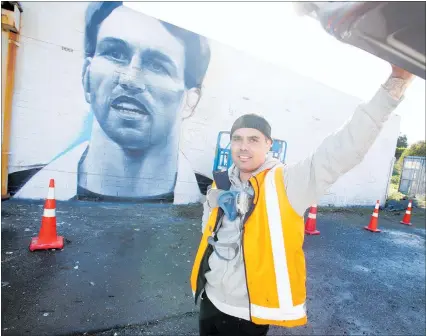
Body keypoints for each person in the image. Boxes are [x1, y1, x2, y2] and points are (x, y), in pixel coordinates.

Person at [190, 65, 414, 336]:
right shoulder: (222, 180)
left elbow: (342, 149)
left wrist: (396, 83)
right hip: (209, 297)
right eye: (237, 139)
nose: (243, 146)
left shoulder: (286, 182)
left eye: (253, 139)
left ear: (268, 144)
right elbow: (208, 226)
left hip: (247, 312)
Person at [14, 1, 211, 204]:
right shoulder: (29, 196)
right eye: (115, 54)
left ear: (190, 101)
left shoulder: (211, 207)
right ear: (86, 76)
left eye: (157, 65)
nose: (130, 79)